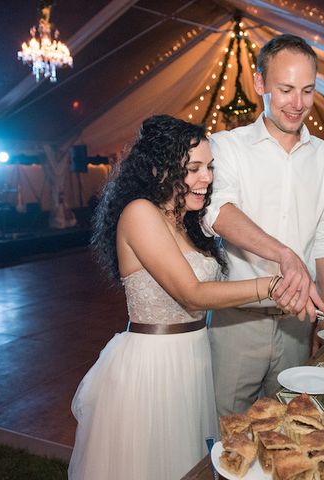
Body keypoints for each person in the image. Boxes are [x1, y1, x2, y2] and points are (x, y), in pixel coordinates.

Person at [68, 115, 280, 480]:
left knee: (190, 466)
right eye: (194, 168)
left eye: (210, 167)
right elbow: (193, 294)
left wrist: (276, 300)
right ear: (159, 169)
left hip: (195, 357)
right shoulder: (139, 214)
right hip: (154, 367)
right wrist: (271, 286)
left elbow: (212, 296)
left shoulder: (187, 221)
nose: (207, 178)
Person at [203, 34, 324, 416]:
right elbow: (218, 212)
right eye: (285, 89)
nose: (298, 104)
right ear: (260, 83)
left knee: (293, 429)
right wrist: (284, 255)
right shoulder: (226, 146)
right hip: (237, 323)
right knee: (227, 434)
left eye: (307, 90)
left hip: (299, 324)